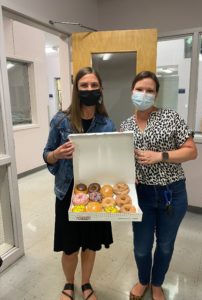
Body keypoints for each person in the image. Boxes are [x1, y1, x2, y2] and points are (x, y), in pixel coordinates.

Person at [120, 71, 197, 300]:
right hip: (141, 194)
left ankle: (157, 284)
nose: (144, 94)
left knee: (164, 245)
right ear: (132, 91)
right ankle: (143, 280)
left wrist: (160, 155)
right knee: (142, 247)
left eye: (150, 90)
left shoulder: (170, 117)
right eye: (140, 89)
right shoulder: (125, 126)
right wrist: (127, 174)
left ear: (156, 94)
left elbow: (192, 151)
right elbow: (123, 159)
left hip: (171, 192)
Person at [43, 67, 116, 300]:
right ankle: (68, 283)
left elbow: (112, 160)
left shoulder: (107, 124)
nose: (89, 90)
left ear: (100, 89)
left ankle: (85, 284)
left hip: (95, 193)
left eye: (94, 85)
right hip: (68, 192)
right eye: (84, 86)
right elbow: (46, 154)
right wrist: (56, 154)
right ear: (76, 90)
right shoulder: (60, 120)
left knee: (91, 244)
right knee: (69, 245)